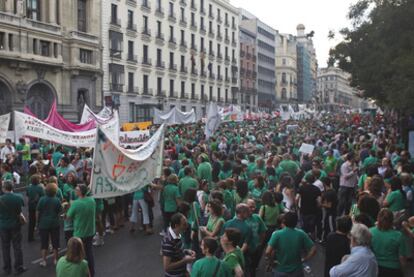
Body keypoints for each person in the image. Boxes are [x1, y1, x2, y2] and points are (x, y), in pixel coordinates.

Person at [265, 212, 316, 277]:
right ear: (296, 222)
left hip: (280, 270)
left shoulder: (276, 234)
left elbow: (267, 252)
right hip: (297, 270)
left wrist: (271, 262)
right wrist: (305, 259)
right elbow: (313, 249)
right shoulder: (301, 233)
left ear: (284, 221)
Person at [66, 184, 96, 277]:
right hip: (90, 231)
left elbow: (68, 217)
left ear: (80, 192)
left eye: (77, 189)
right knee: (89, 252)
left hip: (80, 233)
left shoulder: (76, 203)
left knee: (80, 255)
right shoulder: (92, 200)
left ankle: (83, 273)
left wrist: (70, 206)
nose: (75, 190)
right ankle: (92, 272)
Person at [370, 208, 407, 277]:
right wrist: (404, 273)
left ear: (378, 218)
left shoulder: (370, 232)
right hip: (393, 270)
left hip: (375, 268)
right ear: (392, 220)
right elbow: (402, 258)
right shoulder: (398, 235)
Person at [0, 180, 27, 275]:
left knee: (5, 247)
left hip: (3, 226)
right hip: (15, 225)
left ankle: (7, 268)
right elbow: (21, 208)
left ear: (4, 188)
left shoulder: (1, 199)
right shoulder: (18, 197)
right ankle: (19, 266)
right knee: (17, 246)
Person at [162, 213, 196, 277]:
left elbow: (176, 251)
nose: (187, 226)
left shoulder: (176, 233)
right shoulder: (169, 242)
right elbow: (167, 267)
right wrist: (185, 261)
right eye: (184, 224)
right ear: (176, 225)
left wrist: (186, 251)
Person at [36, 182, 62, 267]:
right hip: (54, 223)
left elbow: (38, 211)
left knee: (44, 243)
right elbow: (59, 211)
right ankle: (55, 259)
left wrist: (37, 222)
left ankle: (43, 260)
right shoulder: (57, 200)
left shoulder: (42, 199)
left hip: (43, 224)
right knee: (55, 242)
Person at [245, 199, 267, 277]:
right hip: (243, 250)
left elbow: (263, 231)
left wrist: (260, 243)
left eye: (254, 207)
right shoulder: (239, 218)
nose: (253, 209)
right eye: (250, 207)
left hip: (255, 249)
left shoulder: (257, 218)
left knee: (252, 268)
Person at [26, 174, 45, 242]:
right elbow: (43, 196)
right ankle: (41, 235)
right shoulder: (40, 188)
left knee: (31, 222)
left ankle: (30, 237)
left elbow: (27, 196)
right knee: (40, 220)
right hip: (38, 206)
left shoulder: (28, 187)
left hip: (31, 206)